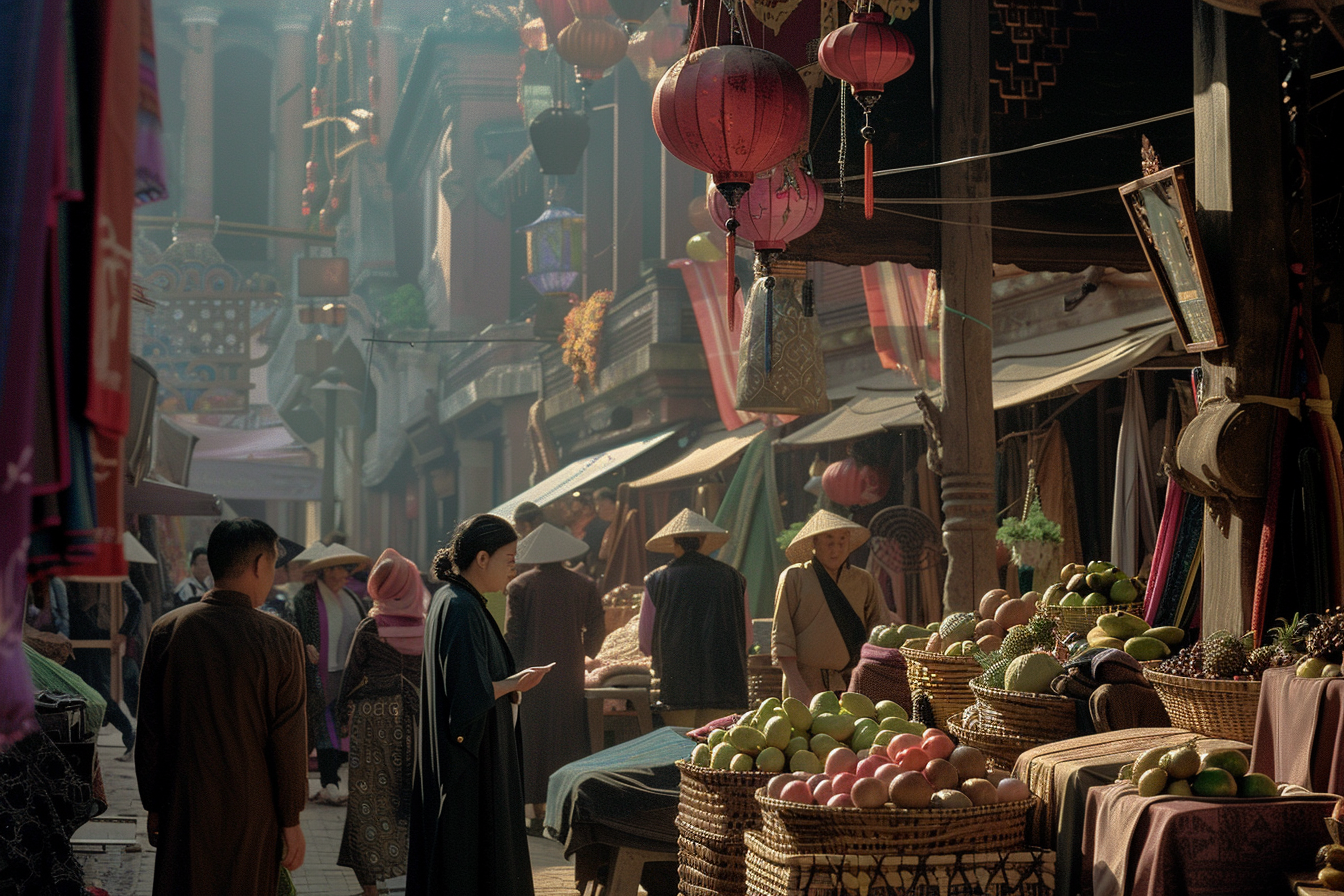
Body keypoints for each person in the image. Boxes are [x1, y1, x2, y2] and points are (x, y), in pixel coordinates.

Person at [136, 518, 307, 896]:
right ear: (260, 564)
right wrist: (290, 818)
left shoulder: (167, 629)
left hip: (184, 805)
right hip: (253, 808)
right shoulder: (281, 639)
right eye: (275, 563)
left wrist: (154, 803)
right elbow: (289, 740)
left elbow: (149, 730)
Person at [407, 514, 554, 896]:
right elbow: (467, 694)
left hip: (466, 758)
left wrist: (511, 685)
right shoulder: (461, 607)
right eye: (510, 558)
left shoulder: (454, 600)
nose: (514, 568)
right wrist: (516, 683)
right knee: (470, 864)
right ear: (483, 558)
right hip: (470, 765)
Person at [337, 549, 427, 896]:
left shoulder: (370, 626)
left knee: (367, 801)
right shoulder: (428, 627)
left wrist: (341, 715)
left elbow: (350, 677)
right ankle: (415, 877)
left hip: (372, 720)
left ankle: (372, 888)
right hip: (414, 722)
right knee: (409, 796)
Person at [504, 523, 606, 823]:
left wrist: (512, 670)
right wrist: (586, 651)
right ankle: (564, 804)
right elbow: (597, 625)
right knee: (568, 734)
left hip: (530, 672)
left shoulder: (520, 586)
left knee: (532, 737)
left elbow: (513, 634)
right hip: (569, 670)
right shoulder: (584, 584)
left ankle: (533, 809)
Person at [638, 510, 751, 727]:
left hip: (676, 684)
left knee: (681, 747)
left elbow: (645, 642)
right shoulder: (735, 578)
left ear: (674, 543)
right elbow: (746, 640)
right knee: (712, 749)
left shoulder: (657, 579)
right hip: (725, 683)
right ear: (703, 541)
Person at [773, 510, 887, 702]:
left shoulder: (864, 580)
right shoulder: (794, 577)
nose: (836, 549)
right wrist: (795, 683)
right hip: (806, 682)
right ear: (814, 542)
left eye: (842, 541)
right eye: (829, 542)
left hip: (854, 683)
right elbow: (782, 635)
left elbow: (879, 630)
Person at [291, 542, 372, 805]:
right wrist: (304, 646)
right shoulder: (305, 598)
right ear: (324, 571)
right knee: (325, 729)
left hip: (346, 675)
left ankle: (331, 782)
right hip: (318, 675)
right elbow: (293, 628)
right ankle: (329, 782)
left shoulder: (350, 597)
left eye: (343, 569)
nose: (339, 575)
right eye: (333, 569)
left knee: (341, 729)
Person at [66, 578, 141, 756]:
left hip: (98, 637)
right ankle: (122, 733)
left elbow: (136, 603)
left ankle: (127, 732)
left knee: (96, 690)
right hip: (76, 635)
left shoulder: (112, 569)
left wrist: (124, 632)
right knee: (85, 691)